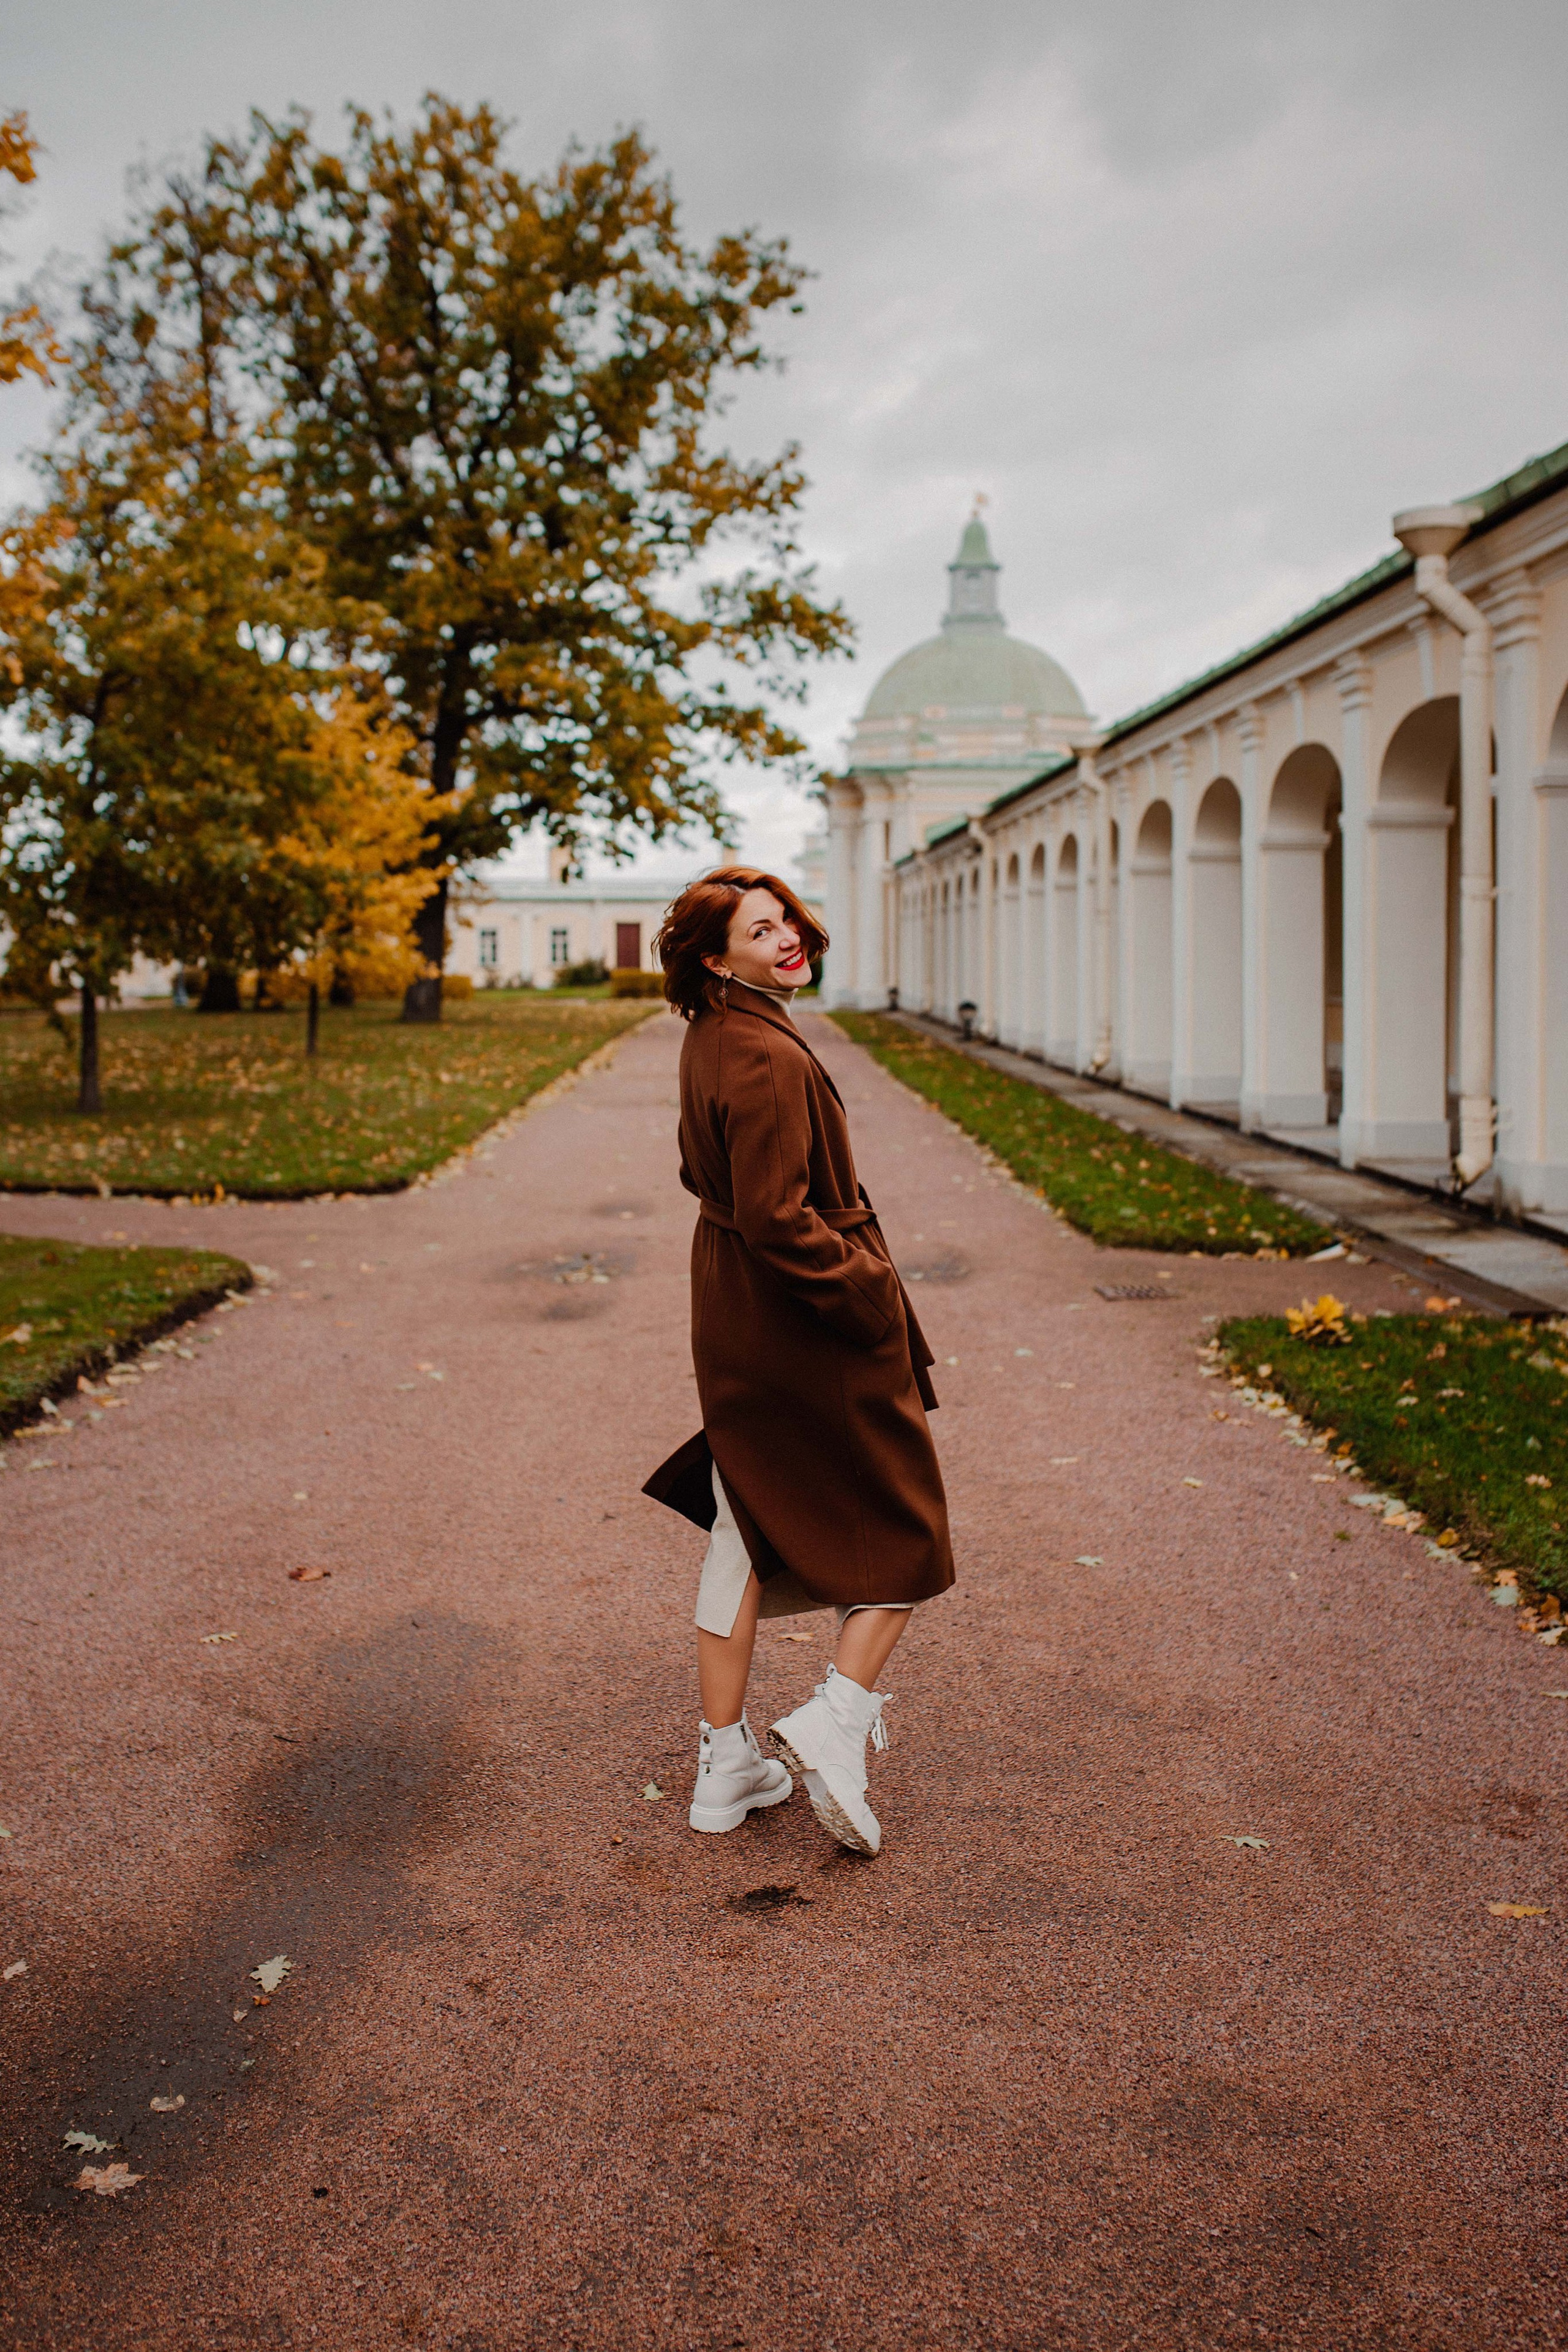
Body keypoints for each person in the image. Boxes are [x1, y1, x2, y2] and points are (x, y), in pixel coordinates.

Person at [644, 867, 954, 1856]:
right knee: (905, 1524)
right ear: (712, 955)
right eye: (760, 930)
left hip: (738, 1309)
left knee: (743, 1525)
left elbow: (710, 1179)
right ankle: (838, 1716)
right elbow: (781, 1221)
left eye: (788, 922)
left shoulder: (713, 1034)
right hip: (802, 1318)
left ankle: (725, 1762)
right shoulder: (762, 1053)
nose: (788, 940)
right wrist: (865, 1290)